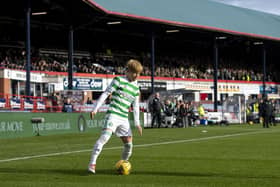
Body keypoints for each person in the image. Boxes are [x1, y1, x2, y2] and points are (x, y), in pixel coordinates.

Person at [88, 59, 143, 174]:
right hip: (113, 114)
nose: (137, 76)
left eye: (138, 73)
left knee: (129, 145)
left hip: (124, 118)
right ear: (127, 71)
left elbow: (136, 106)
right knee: (105, 138)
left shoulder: (136, 88)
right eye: (134, 72)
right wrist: (95, 108)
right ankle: (92, 163)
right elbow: (106, 93)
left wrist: (137, 123)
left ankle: (123, 164)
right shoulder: (118, 80)